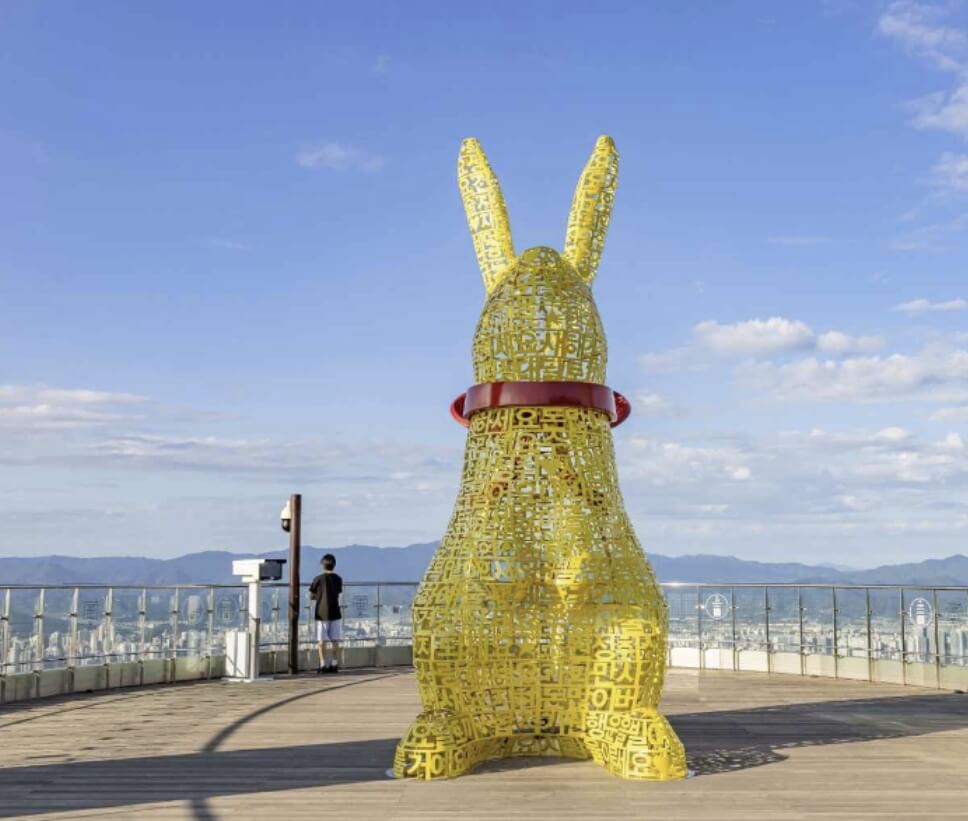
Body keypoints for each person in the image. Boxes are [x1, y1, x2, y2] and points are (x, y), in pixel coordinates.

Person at [309, 553, 343, 674]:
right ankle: (334, 663)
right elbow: (338, 592)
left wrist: (318, 595)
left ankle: (323, 664)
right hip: (335, 611)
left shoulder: (317, 579)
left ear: (322, 565)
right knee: (335, 640)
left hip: (321, 613)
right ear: (334, 565)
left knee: (321, 640)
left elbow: (311, 595)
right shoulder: (338, 579)